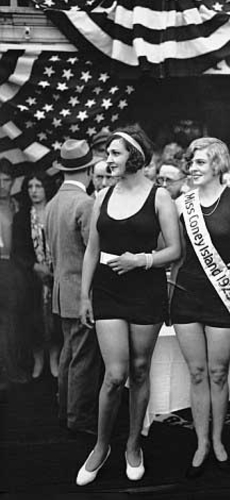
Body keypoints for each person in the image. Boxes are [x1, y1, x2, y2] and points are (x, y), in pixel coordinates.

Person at [76, 125, 181, 486]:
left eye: (115, 153)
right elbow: (92, 249)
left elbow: (175, 249)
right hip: (108, 290)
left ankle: (133, 445)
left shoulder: (159, 196)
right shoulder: (102, 195)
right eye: (108, 154)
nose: (108, 160)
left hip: (146, 289)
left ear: (134, 157)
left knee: (139, 370)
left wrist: (141, 260)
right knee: (114, 375)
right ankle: (101, 446)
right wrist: (84, 295)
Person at [170, 137, 230, 478]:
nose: (192, 168)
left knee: (218, 372)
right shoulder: (181, 204)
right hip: (186, 295)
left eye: (200, 162)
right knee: (197, 373)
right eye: (191, 162)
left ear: (217, 164)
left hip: (223, 297)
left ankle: (218, 439)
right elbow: (171, 249)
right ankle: (200, 443)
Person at [45, 139, 102, 436]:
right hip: (83, 292)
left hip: (61, 290)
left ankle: (65, 411)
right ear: (89, 170)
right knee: (83, 358)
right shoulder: (85, 203)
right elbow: (94, 251)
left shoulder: (53, 203)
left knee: (70, 353)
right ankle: (79, 417)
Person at [12, 170, 61, 379]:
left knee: (56, 320)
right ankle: (38, 361)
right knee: (34, 321)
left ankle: (54, 360)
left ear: (46, 188)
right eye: (30, 187)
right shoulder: (22, 217)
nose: (34, 191)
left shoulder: (56, 212)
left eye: (38, 186)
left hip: (57, 276)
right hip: (32, 279)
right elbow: (17, 251)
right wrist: (34, 266)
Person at [0, 158, 27, 383]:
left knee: (13, 319)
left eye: (6, 180)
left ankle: (12, 369)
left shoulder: (18, 205)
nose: (2, 185)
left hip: (15, 268)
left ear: (13, 181)